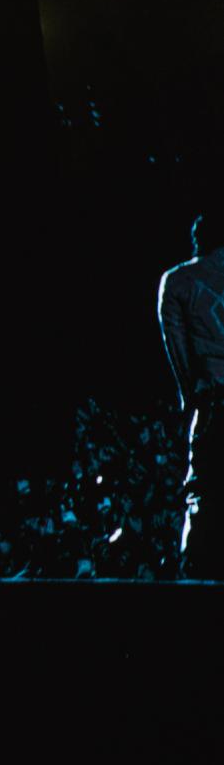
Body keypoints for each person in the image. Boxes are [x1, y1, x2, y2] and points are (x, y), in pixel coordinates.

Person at [158, 212, 223, 578]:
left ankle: (196, 593)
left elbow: (178, 350)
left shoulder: (179, 280)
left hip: (214, 399)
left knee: (203, 495)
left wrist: (189, 399)